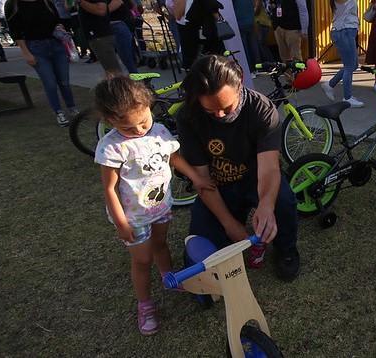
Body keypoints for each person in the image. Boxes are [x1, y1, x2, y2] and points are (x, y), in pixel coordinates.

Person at [93, 74, 215, 336]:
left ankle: (170, 278)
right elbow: (109, 188)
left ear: (150, 107)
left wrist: (196, 178)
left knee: (161, 245)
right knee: (142, 261)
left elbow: (174, 158)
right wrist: (121, 222)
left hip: (161, 207)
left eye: (143, 121)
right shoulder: (112, 147)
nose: (138, 130)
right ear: (110, 120)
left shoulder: (158, 131)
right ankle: (145, 304)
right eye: (128, 127)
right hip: (133, 218)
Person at [177, 55, 302, 281]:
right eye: (211, 111)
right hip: (218, 185)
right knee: (198, 255)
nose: (221, 116)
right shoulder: (188, 117)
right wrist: (230, 224)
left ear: (240, 82)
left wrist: (265, 204)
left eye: (226, 107)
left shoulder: (262, 109)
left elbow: (269, 169)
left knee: (283, 201)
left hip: (255, 178)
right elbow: (202, 179)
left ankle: (285, 248)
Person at [6, 0, 78, 126]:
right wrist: (26, 53)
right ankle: (59, 112)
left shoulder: (46, 2)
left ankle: (72, 108)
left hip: (56, 44)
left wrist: (60, 28)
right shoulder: (14, 5)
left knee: (64, 81)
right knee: (49, 82)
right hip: (36, 47)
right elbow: (15, 31)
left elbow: (57, 20)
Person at [319, 0, 363, 108]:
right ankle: (347, 98)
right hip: (344, 31)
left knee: (354, 65)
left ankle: (329, 85)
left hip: (347, 31)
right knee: (349, 66)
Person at [78, 0, 124, 72]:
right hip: (98, 36)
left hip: (100, 36)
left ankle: (121, 83)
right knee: (111, 71)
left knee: (114, 72)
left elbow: (101, 10)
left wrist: (80, 2)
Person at [233, 0, 260, 75]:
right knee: (253, 46)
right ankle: (257, 68)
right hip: (250, 21)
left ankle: (250, 70)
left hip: (240, 23)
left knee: (245, 48)